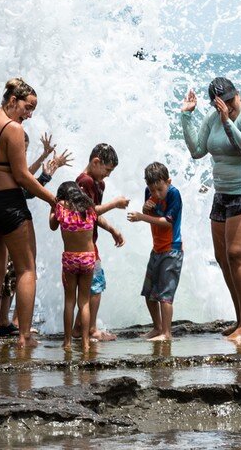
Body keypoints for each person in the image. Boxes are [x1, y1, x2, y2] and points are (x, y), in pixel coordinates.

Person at [180, 76, 241, 343]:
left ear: (237, 94)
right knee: (223, 258)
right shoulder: (213, 117)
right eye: (221, 103)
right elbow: (197, 150)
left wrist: (227, 121)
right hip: (223, 194)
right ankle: (240, 320)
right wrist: (187, 117)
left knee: (237, 255)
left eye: (230, 100)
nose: (227, 106)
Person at [0, 78, 57, 347]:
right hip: (9, 205)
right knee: (26, 269)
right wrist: (53, 200)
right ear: (13, 100)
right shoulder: (14, 129)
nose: (29, 115)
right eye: (28, 107)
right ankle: (24, 336)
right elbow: (21, 176)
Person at [0, 131, 72, 336]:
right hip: (10, 225)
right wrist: (48, 174)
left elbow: (26, 178)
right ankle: (5, 322)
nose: (22, 153)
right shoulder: (7, 170)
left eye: (25, 150)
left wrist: (45, 160)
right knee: (14, 275)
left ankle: (9, 321)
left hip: (7, 223)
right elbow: (27, 189)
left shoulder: (5, 167)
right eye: (21, 149)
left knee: (11, 277)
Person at [74, 143, 128, 342]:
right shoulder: (85, 181)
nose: (108, 175)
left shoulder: (98, 183)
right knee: (96, 286)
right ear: (96, 162)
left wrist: (112, 229)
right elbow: (88, 212)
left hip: (89, 241)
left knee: (90, 286)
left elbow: (94, 213)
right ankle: (91, 329)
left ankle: (79, 327)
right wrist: (114, 204)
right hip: (83, 243)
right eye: (107, 170)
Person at [127, 161, 184, 342]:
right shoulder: (149, 193)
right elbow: (152, 215)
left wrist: (142, 216)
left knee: (165, 295)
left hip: (172, 250)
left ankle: (167, 333)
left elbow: (168, 222)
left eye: (160, 189)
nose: (156, 194)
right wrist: (146, 210)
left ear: (168, 181)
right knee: (150, 293)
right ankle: (157, 327)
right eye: (152, 190)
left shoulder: (174, 194)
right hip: (157, 249)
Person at [49, 181, 98, 352]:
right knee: (83, 302)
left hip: (70, 258)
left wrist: (52, 205)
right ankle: (85, 343)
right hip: (88, 259)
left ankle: (67, 342)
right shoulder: (89, 207)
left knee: (69, 301)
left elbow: (52, 226)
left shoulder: (61, 207)